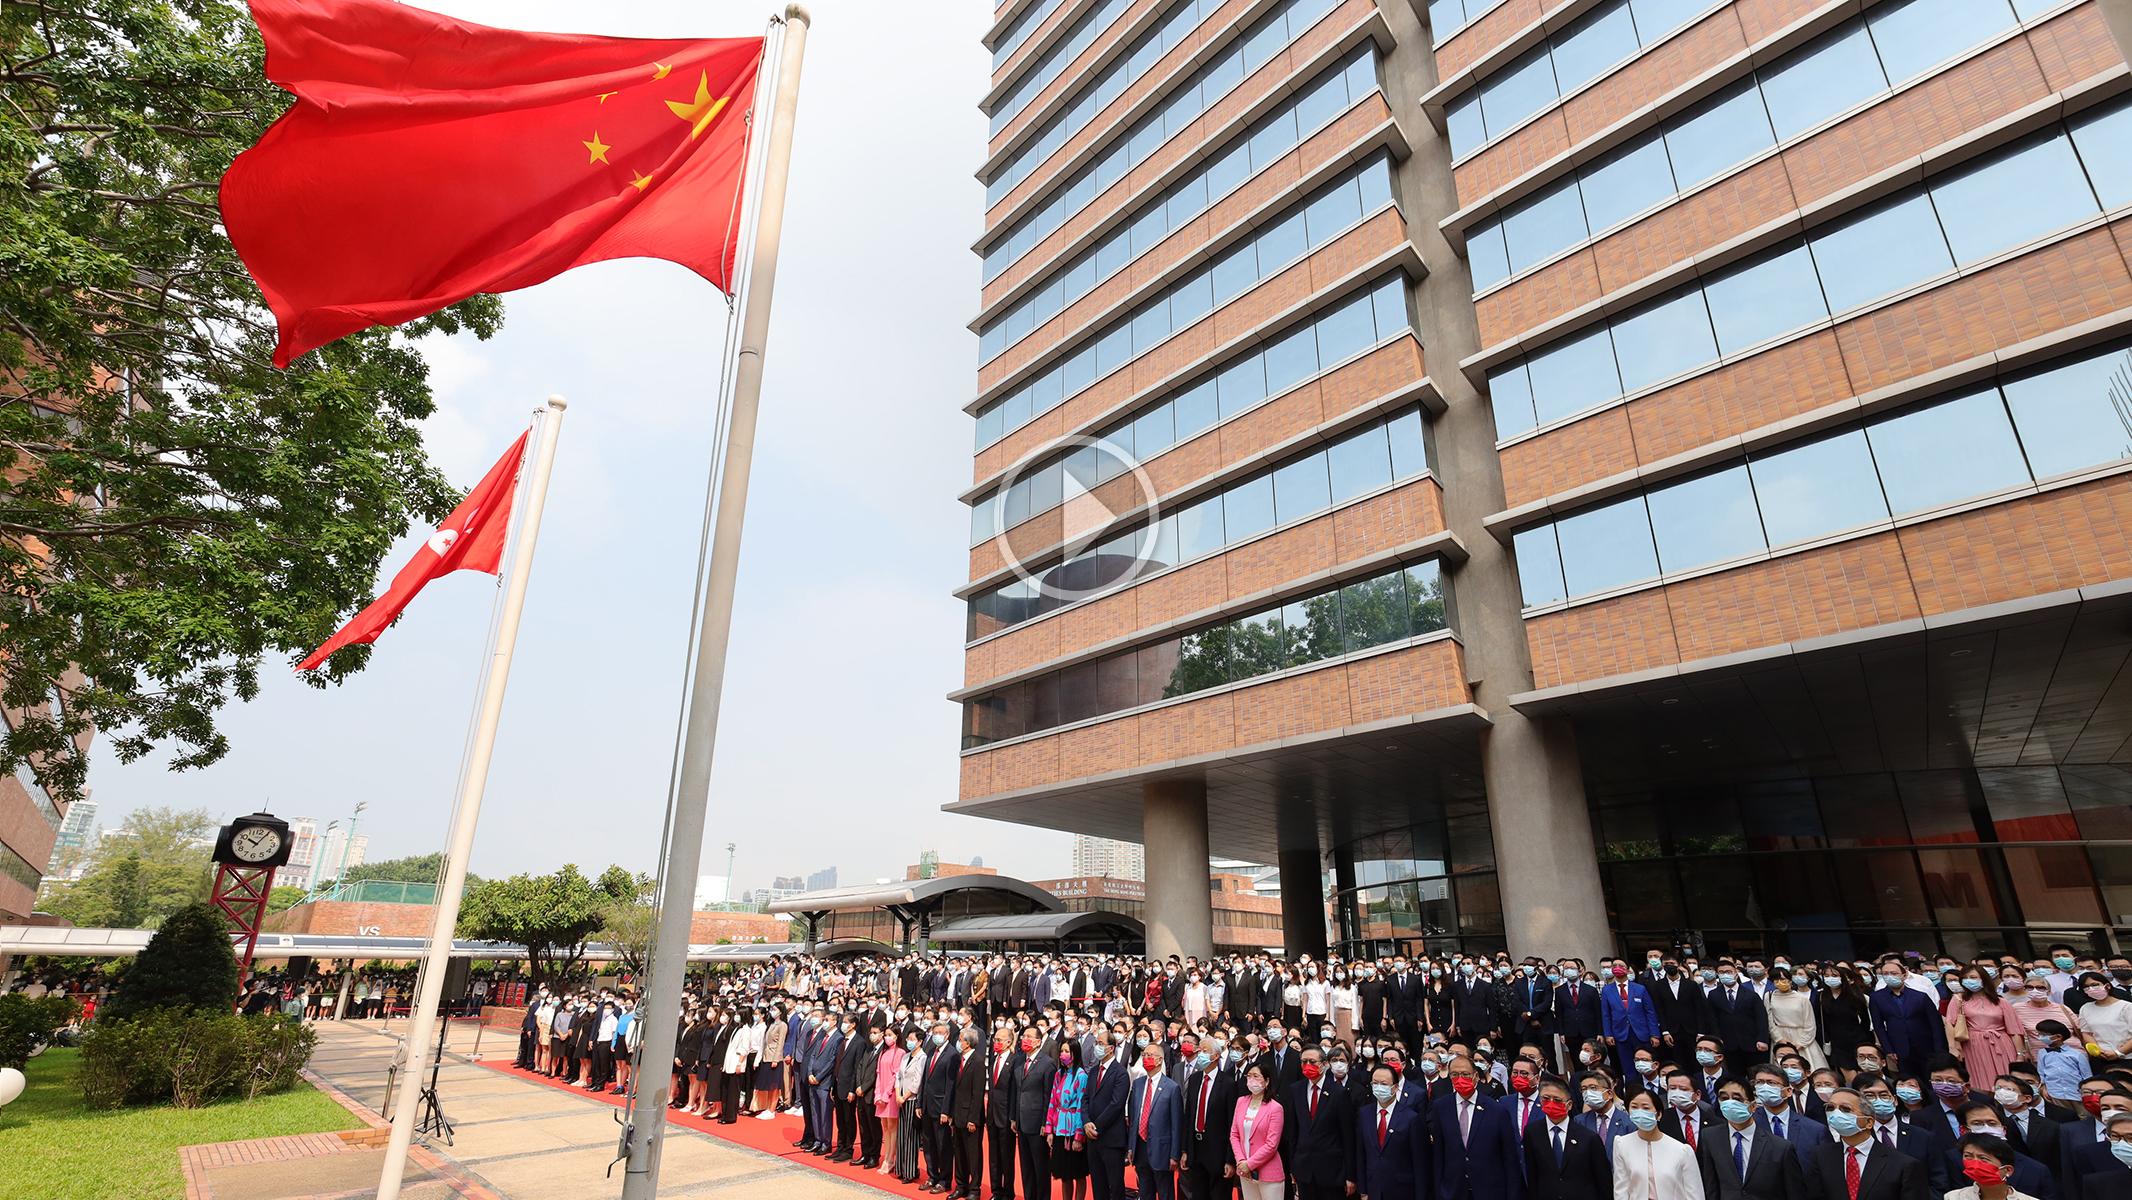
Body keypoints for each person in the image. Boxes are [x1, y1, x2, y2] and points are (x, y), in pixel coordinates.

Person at [1809, 1087, 1933, 1200]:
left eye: (1845, 1109)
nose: (1836, 1114)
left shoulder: (1903, 1165)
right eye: (1831, 1108)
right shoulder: (1821, 1156)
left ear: (1869, 1122)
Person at [1698, 1077, 1806, 1200]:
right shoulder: (1710, 1136)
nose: (1730, 1103)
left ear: (1753, 1106)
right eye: (1724, 1098)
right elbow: (1711, 1184)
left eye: (1737, 1099)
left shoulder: (1780, 1147)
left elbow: (1795, 1192)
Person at [1436, 1053, 1525, 1200]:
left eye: (1465, 1074)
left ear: (1476, 1076)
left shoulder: (1496, 1110)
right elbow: (1439, 1154)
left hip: (1490, 1190)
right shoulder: (1441, 1107)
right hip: (1453, 1190)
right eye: (1454, 1075)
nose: (1460, 1079)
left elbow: (1510, 1158)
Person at [1525, 1074, 1608, 1200]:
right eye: (1546, 1099)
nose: (1551, 1103)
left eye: (1557, 1100)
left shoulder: (1588, 1137)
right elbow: (1532, 1174)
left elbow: (1603, 1182)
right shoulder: (1532, 1132)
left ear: (1569, 1105)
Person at [1614, 1089, 1704, 1200]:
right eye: (1634, 1107)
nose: (1640, 1112)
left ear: (1659, 1114)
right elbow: (1621, 1189)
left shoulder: (1681, 1150)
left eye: (1646, 1108)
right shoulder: (1622, 1144)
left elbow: (1694, 1193)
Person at [1948, 966, 2027, 1087]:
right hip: (1974, 1045)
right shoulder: (1959, 1000)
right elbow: (1950, 1024)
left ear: (1983, 979)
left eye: (1973, 977)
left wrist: (2020, 1054)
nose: (1969, 980)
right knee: (1982, 1082)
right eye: (1965, 978)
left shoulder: (2002, 1001)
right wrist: (1953, 1047)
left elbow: (2014, 1030)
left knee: (2009, 1081)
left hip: (2002, 1043)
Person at [1127, 1041, 1184, 1200]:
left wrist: (1174, 1154)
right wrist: (1131, 1147)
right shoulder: (1138, 1084)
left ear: (1160, 1060)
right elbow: (1134, 1118)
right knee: (1145, 1192)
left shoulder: (1172, 1087)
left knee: (1165, 1193)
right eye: (1144, 1055)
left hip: (1162, 1150)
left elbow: (1176, 1124)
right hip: (1140, 1147)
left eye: (1150, 1055)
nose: (1146, 1058)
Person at [1868, 965, 1947, 1072]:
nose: (1889, 976)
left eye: (1894, 973)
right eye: (1885, 974)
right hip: (1899, 1047)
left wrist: (1939, 1049)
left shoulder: (1920, 996)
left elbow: (1936, 1024)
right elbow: (1878, 1026)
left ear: (1904, 976)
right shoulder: (1876, 998)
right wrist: (1888, 1049)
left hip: (1926, 1046)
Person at [1229, 1063, 1284, 1200]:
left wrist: (1250, 1164)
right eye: (1249, 1076)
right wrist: (1241, 1161)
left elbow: (1271, 1144)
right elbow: (1234, 1134)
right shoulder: (1241, 1102)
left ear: (1266, 1081)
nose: (1252, 1080)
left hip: (1268, 1172)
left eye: (1256, 1077)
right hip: (1245, 1171)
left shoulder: (1275, 1108)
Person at [1046, 1038, 1091, 1200]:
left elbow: (1081, 1107)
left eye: (1067, 1051)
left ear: (1075, 1053)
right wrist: (1049, 1129)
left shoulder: (1081, 1076)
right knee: (1064, 1173)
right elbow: (1052, 1102)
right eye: (1062, 1051)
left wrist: (1079, 1137)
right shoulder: (1059, 1074)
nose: (1063, 1055)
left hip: (1074, 1129)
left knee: (1078, 1173)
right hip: (1059, 1128)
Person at [1948, 1131, 2045, 1200]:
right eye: (1968, 1156)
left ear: (2008, 1170)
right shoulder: (1953, 1197)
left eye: (1983, 1158)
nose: (1975, 1163)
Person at [1763, 970, 1823, 1072]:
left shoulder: (1802, 998)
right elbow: (1769, 1020)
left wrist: (1801, 1043)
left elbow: (1810, 1023)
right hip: (1780, 1036)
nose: (1780, 982)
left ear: (1790, 980)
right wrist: (1778, 1038)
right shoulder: (1769, 996)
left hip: (1801, 1036)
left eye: (1783, 979)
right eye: (1776, 979)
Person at [953, 1028, 988, 1200]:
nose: (958, 1042)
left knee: (973, 1154)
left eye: (960, 1039)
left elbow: (978, 1092)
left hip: (971, 1117)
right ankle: (961, 1184)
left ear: (967, 1042)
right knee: (959, 1152)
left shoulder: (978, 1061)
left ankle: (974, 1188)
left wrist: (973, 1118)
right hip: (958, 1113)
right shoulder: (960, 1059)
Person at [2077, 973, 2132, 1065]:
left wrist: (2118, 1053)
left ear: (2108, 986)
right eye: (2086, 987)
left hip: (2126, 1059)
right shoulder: (2085, 1008)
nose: (2091, 989)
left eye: (2095, 985)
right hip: (2100, 1058)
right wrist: (2099, 1051)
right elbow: (2087, 1033)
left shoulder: (2126, 1007)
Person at [895, 1028, 927, 1183]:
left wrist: (905, 1096)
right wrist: (898, 1095)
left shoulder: (922, 1057)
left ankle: (910, 1171)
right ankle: (900, 1168)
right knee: (901, 1136)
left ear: (920, 1041)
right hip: (901, 1099)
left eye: (912, 1039)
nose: (909, 1041)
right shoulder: (906, 1056)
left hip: (912, 1100)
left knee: (911, 1137)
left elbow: (917, 1081)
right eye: (908, 1039)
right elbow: (898, 1077)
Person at [875, 1022, 906, 1175]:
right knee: (885, 1127)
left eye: (890, 1035)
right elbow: (879, 1074)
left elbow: (896, 1075)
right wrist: (878, 1094)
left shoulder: (899, 1052)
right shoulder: (882, 1052)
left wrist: (886, 1094)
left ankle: (890, 1159)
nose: (887, 1037)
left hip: (892, 1094)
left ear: (896, 1036)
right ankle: (887, 1156)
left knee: (892, 1127)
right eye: (885, 1035)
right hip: (881, 1095)